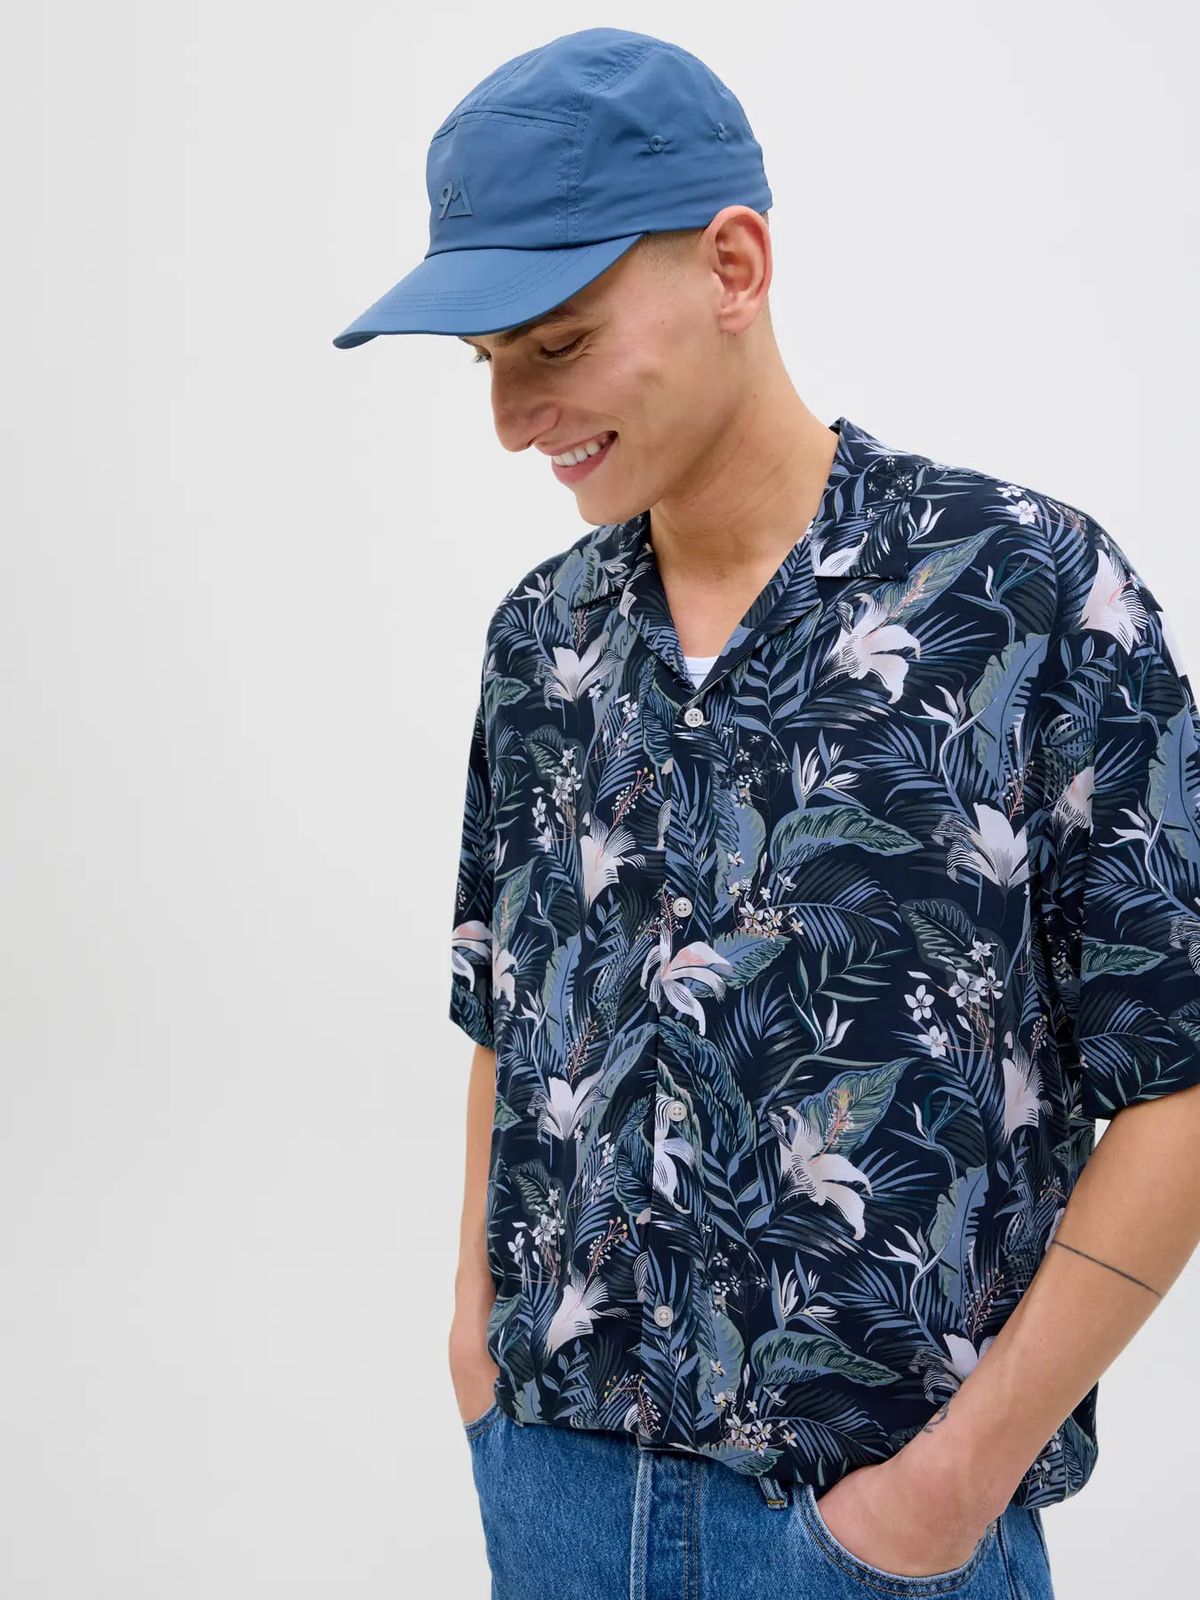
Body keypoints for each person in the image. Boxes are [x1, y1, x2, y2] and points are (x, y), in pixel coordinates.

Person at [333, 27, 1200, 1600]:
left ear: (735, 266)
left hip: (880, 1535)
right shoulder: (541, 643)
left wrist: (950, 1488)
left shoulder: (1029, 599)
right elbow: (508, 1019)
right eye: (488, 362)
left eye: (557, 342)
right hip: (556, 1494)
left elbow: (1182, 1081)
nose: (515, 418)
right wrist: (477, 1349)